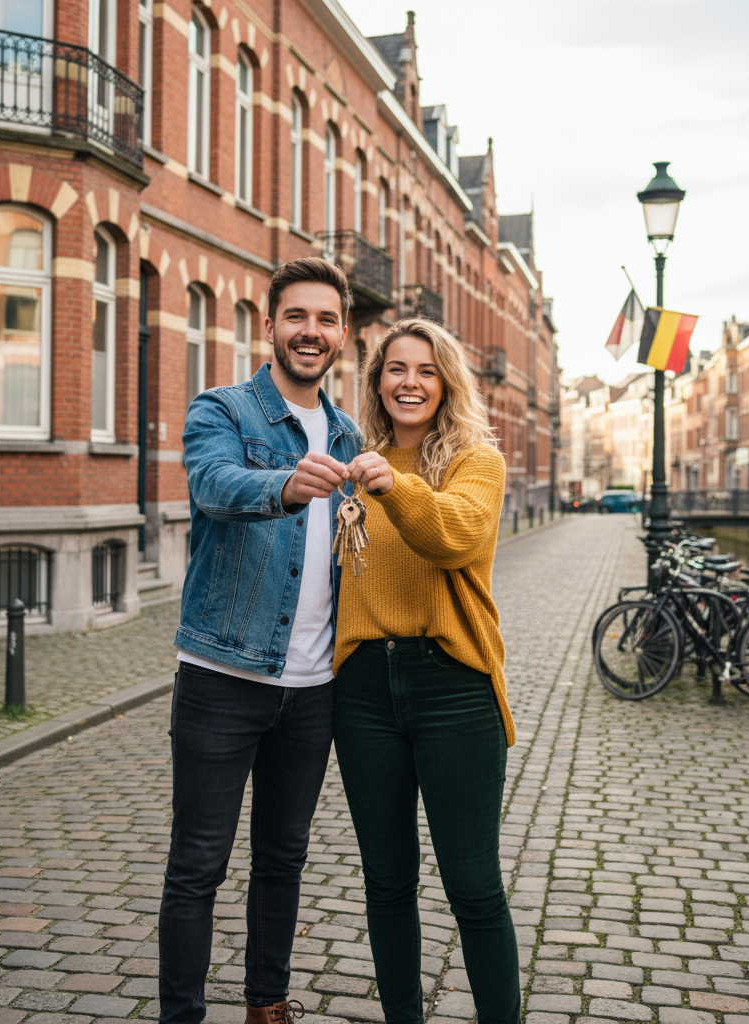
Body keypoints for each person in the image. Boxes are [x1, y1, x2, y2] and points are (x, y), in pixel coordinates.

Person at [159, 258, 362, 1024]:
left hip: (313, 689)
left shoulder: (348, 432)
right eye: (296, 317)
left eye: (326, 319)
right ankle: (180, 1014)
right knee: (198, 866)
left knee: (283, 859)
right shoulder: (224, 409)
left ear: (342, 333)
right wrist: (283, 486)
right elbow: (210, 485)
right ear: (268, 326)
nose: (311, 332)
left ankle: (265, 1005)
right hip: (221, 674)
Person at [335, 317, 520, 1024]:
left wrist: (391, 487)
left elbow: (454, 535)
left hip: (453, 688)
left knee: (473, 885)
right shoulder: (356, 458)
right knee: (386, 883)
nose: (409, 382)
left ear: (446, 384)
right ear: (378, 381)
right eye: (395, 369)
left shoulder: (476, 460)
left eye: (425, 370)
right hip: (362, 694)